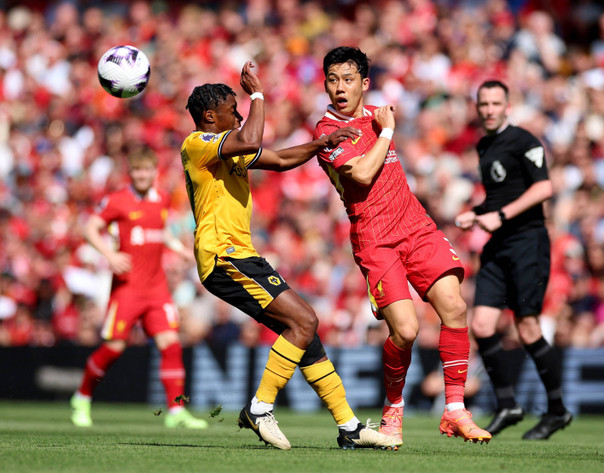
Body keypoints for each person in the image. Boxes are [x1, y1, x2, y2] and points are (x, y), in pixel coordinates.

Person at [181, 60, 399, 450]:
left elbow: (279, 160)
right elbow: (251, 140)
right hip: (222, 256)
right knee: (305, 320)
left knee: (305, 333)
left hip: (241, 255)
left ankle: (348, 427)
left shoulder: (225, 151)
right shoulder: (198, 144)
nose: (240, 113)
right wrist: (259, 95)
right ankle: (259, 408)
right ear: (211, 115)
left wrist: (321, 144)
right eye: (234, 109)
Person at [313, 46, 491, 444]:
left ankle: (456, 410)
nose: (339, 87)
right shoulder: (327, 131)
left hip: (415, 224)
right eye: (332, 79)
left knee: (455, 306)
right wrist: (388, 131)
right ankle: (393, 408)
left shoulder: (376, 114)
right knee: (406, 331)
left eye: (347, 79)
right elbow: (360, 173)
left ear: (364, 83)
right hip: (375, 237)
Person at [455, 79, 573, 440]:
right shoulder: (484, 145)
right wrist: (476, 213)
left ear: (508, 106)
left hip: (527, 243)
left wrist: (502, 216)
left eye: (495, 103)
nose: (488, 109)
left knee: (528, 328)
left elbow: (544, 187)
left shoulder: (524, 140)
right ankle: (507, 404)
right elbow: (498, 197)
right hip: (498, 244)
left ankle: (557, 411)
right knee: (482, 324)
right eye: (483, 104)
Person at [70, 149, 207, 429]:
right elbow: (90, 228)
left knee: (171, 344)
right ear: (130, 173)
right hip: (128, 289)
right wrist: (109, 256)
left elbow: (160, 231)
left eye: (146, 170)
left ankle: (175, 409)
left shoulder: (162, 199)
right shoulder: (117, 201)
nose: (141, 175)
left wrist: (180, 249)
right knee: (114, 348)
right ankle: (82, 397)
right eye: (137, 171)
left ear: (154, 172)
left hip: (157, 289)